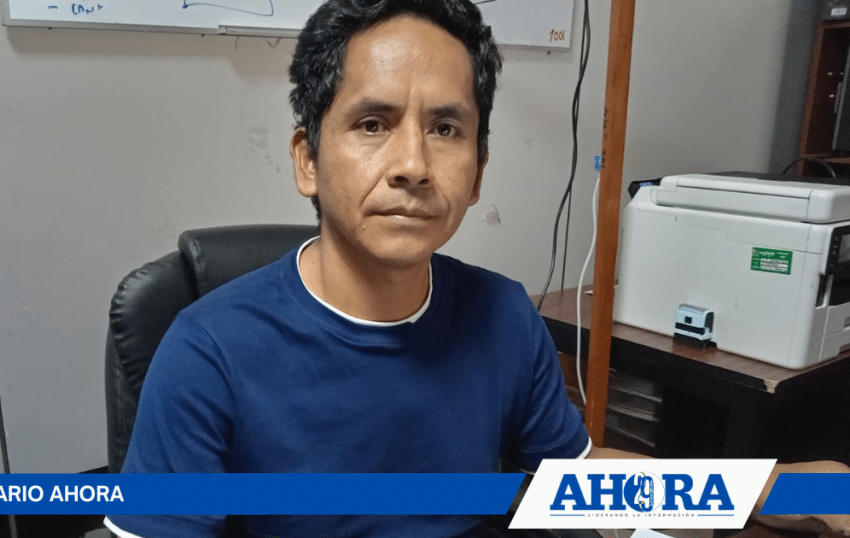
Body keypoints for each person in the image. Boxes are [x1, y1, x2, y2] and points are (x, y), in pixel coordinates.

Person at [105, 1, 850, 537]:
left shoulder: (501, 314)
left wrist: (768, 489)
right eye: (372, 123)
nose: (412, 165)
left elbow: (578, 479)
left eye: (445, 128)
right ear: (307, 159)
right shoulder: (208, 349)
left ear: (478, 171)